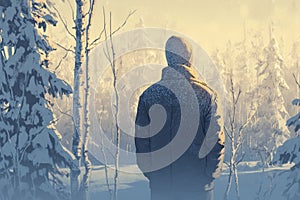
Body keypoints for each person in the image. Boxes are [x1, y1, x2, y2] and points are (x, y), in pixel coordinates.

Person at [135, 36, 225, 200]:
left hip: (162, 189)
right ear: (190, 59)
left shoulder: (149, 96)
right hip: (198, 189)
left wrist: (154, 176)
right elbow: (216, 142)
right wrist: (207, 178)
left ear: (167, 58)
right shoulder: (206, 96)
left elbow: (142, 144)